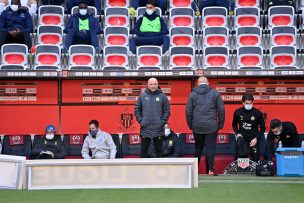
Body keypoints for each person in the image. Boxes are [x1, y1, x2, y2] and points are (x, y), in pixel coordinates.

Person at [186, 76, 225, 176]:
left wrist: (191, 125)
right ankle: (211, 170)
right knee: (210, 148)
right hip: (211, 126)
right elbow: (221, 110)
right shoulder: (215, 93)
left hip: (197, 126)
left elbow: (188, 111)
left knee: (198, 148)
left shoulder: (193, 94)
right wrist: (220, 124)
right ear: (208, 82)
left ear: (198, 83)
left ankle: (194, 171)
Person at [134, 77, 170, 158]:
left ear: (157, 84)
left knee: (159, 152)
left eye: (155, 84)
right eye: (151, 84)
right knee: (143, 152)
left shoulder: (163, 96)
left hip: (158, 129)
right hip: (145, 129)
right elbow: (137, 110)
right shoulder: (142, 96)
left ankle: (159, 170)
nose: (153, 86)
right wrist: (141, 121)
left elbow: (167, 111)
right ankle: (143, 170)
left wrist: (161, 122)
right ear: (147, 85)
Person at [232, 93, 266, 163]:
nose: (249, 105)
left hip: (254, 140)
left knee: (255, 163)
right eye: (247, 103)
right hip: (243, 140)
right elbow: (234, 125)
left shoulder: (257, 113)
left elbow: (263, 128)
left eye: (250, 103)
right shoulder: (238, 112)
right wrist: (238, 133)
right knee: (242, 164)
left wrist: (256, 138)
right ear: (243, 102)